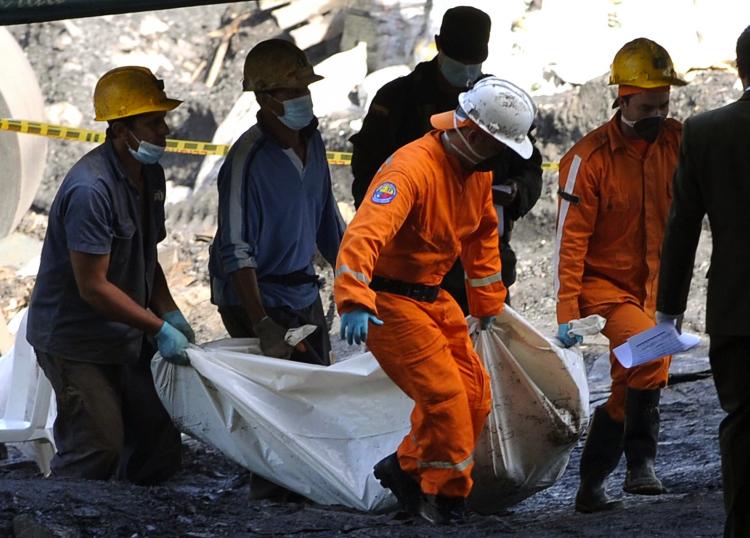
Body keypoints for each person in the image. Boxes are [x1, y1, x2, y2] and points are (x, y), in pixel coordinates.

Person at [335, 76, 536, 524]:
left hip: (433, 296)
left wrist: (488, 307)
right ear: (472, 133)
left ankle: (405, 468)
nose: (499, 156)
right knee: (444, 399)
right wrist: (353, 299)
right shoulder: (412, 169)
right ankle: (445, 500)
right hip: (389, 303)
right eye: (495, 145)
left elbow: (483, 238)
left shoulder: (476, 174)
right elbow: (365, 233)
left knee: (475, 396)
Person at [26, 66, 190, 484]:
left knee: (159, 438)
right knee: (97, 446)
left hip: (127, 333)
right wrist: (157, 327)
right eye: (153, 122)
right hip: (76, 340)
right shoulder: (90, 190)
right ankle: (54, 523)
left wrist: (170, 312)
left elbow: (145, 253)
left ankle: (137, 521)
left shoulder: (149, 173)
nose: (164, 130)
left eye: (163, 119)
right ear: (120, 129)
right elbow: (93, 288)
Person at [554, 38, 687, 513]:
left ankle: (592, 483)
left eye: (664, 104)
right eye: (648, 106)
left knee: (632, 375)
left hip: (654, 287)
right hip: (604, 289)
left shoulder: (677, 143)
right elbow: (568, 244)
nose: (658, 114)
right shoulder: (587, 161)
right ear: (623, 99)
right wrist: (567, 312)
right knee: (651, 353)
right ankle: (640, 463)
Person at [349, 5, 542, 308]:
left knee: (480, 345)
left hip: (481, 255)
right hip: (411, 261)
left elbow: (529, 165)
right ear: (438, 45)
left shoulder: (499, 104)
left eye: (474, 62)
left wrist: (515, 192)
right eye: (459, 60)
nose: (466, 71)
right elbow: (367, 177)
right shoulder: (397, 101)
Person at [656, 26, 750, 538]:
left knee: (742, 424)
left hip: (737, 309)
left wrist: (668, 312)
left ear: (739, 69)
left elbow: (682, 226)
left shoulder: (705, 131)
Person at [209, 39, 343, 367]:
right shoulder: (246, 161)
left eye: (304, 89)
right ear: (264, 99)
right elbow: (236, 250)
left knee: (318, 381)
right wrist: (262, 324)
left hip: (301, 288)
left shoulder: (313, 141)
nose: (302, 98)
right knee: (278, 396)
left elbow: (329, 221)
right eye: (289, 91)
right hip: (255, 298)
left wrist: (356, 281)